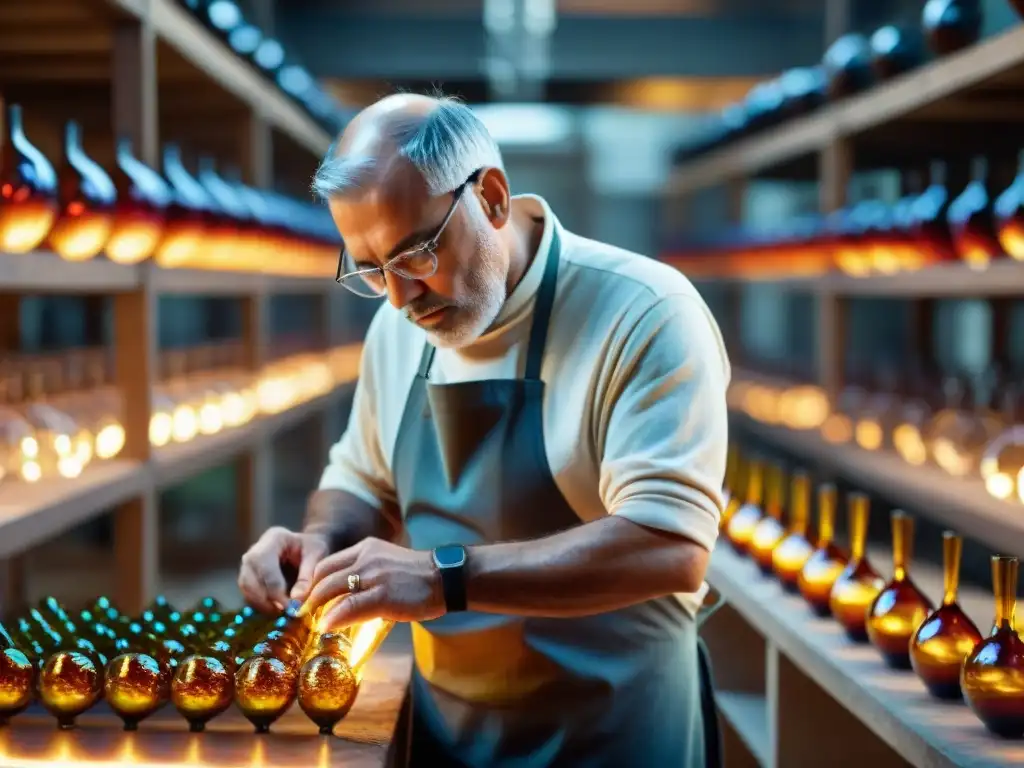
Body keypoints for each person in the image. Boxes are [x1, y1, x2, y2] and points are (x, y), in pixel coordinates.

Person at [238, 92, 730, 768]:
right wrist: (319, 545)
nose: (400, 297)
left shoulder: (643, 312)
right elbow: (361, 478)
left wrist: (444, 578)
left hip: (614, 736)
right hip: (449, 735)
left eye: (414, 254)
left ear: (492, 198)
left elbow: (669, 544)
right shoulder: (397, 325)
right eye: (371, 270)